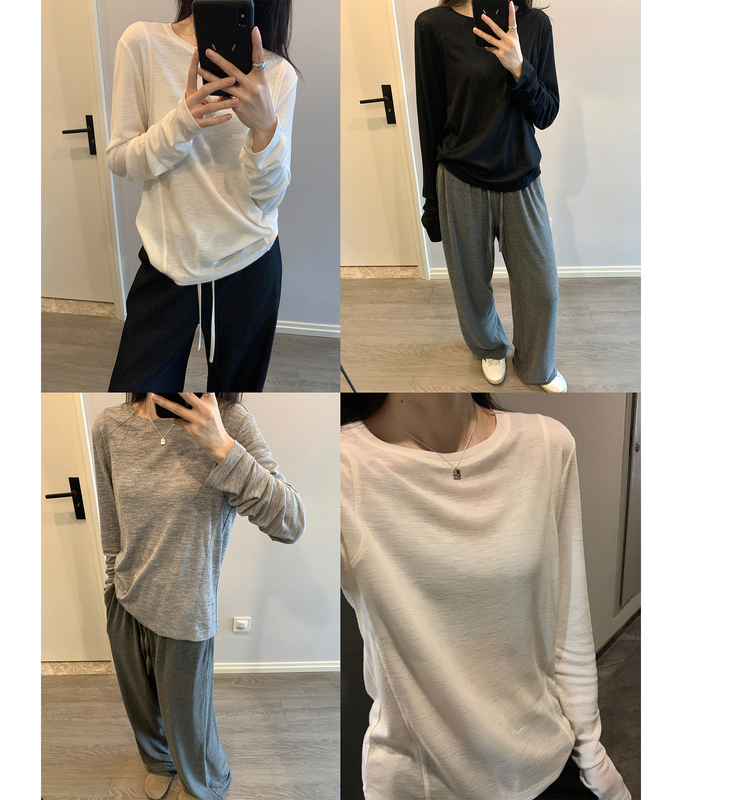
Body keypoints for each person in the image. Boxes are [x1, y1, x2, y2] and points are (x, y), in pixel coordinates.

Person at [340, 393, 631, 799]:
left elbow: (568, 624)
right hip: (424, 787)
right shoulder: (343, 467)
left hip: (547, 767)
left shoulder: (547, 445)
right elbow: (285, 528)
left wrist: (593, 756)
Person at [92, 392, 306, 800]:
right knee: (141, 706)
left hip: (186, 607)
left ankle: (205, 784)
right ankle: (159, 762)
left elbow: (291, 523)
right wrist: (110, 587)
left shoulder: (229, 420)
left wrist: (221, 446)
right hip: (123, 598)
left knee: (189, 719)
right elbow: (113, 522)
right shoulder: (109, 426)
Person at [105, 0, 298, 392]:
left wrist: (264, 128)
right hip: (167, 260)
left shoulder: (278, 73)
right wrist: (181, 123)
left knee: (230, 405)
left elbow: (269, 197)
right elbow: (122, 160)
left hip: (250, 261)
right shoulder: (142, 43)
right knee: (141, 406)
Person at [415, 1, 567, 392]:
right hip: (460, 178)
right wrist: (432, 204)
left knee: (542, 290)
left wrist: (519, 68)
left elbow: (547, 113)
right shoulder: (433, 25)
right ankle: (490, 347)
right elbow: (431, 118)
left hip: (521, 177)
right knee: (471, 286)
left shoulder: (535, 24)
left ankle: (536, 365)